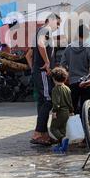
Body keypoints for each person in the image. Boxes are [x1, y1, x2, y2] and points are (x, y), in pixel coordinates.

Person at [26, 13, 62, 146]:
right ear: (50, 21)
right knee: (48, 100)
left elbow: (28, 55)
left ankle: (44, 134)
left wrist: (33, 68)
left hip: (39, 71)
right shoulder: (45, 30)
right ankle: (37, 133)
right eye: (57, 23)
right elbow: (41, 45)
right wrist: (47, 63)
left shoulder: (40, 31)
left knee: (42, 102)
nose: (58, 27)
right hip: (43, 72)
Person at [60, 24, 90, 115]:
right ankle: (86, 126)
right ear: (87, 35)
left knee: (72, 107)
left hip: (73, 82)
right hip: (86, 82)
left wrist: (68, 75)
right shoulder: (88, 48)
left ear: (77, 34)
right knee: (86, 108)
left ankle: (75, 127)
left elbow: (62, 65)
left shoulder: (69, 48)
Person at [50, 67, 74, 154]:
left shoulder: (56, 89)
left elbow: (56, 102)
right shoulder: (67, 88)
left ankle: (63, 140)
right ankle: (62, 145)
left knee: (54, 128)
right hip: (67, 111)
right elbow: (70, 101)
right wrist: (71, 111)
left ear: (54, 79)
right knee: (62, 129)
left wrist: (54, 112)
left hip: (59, 111)